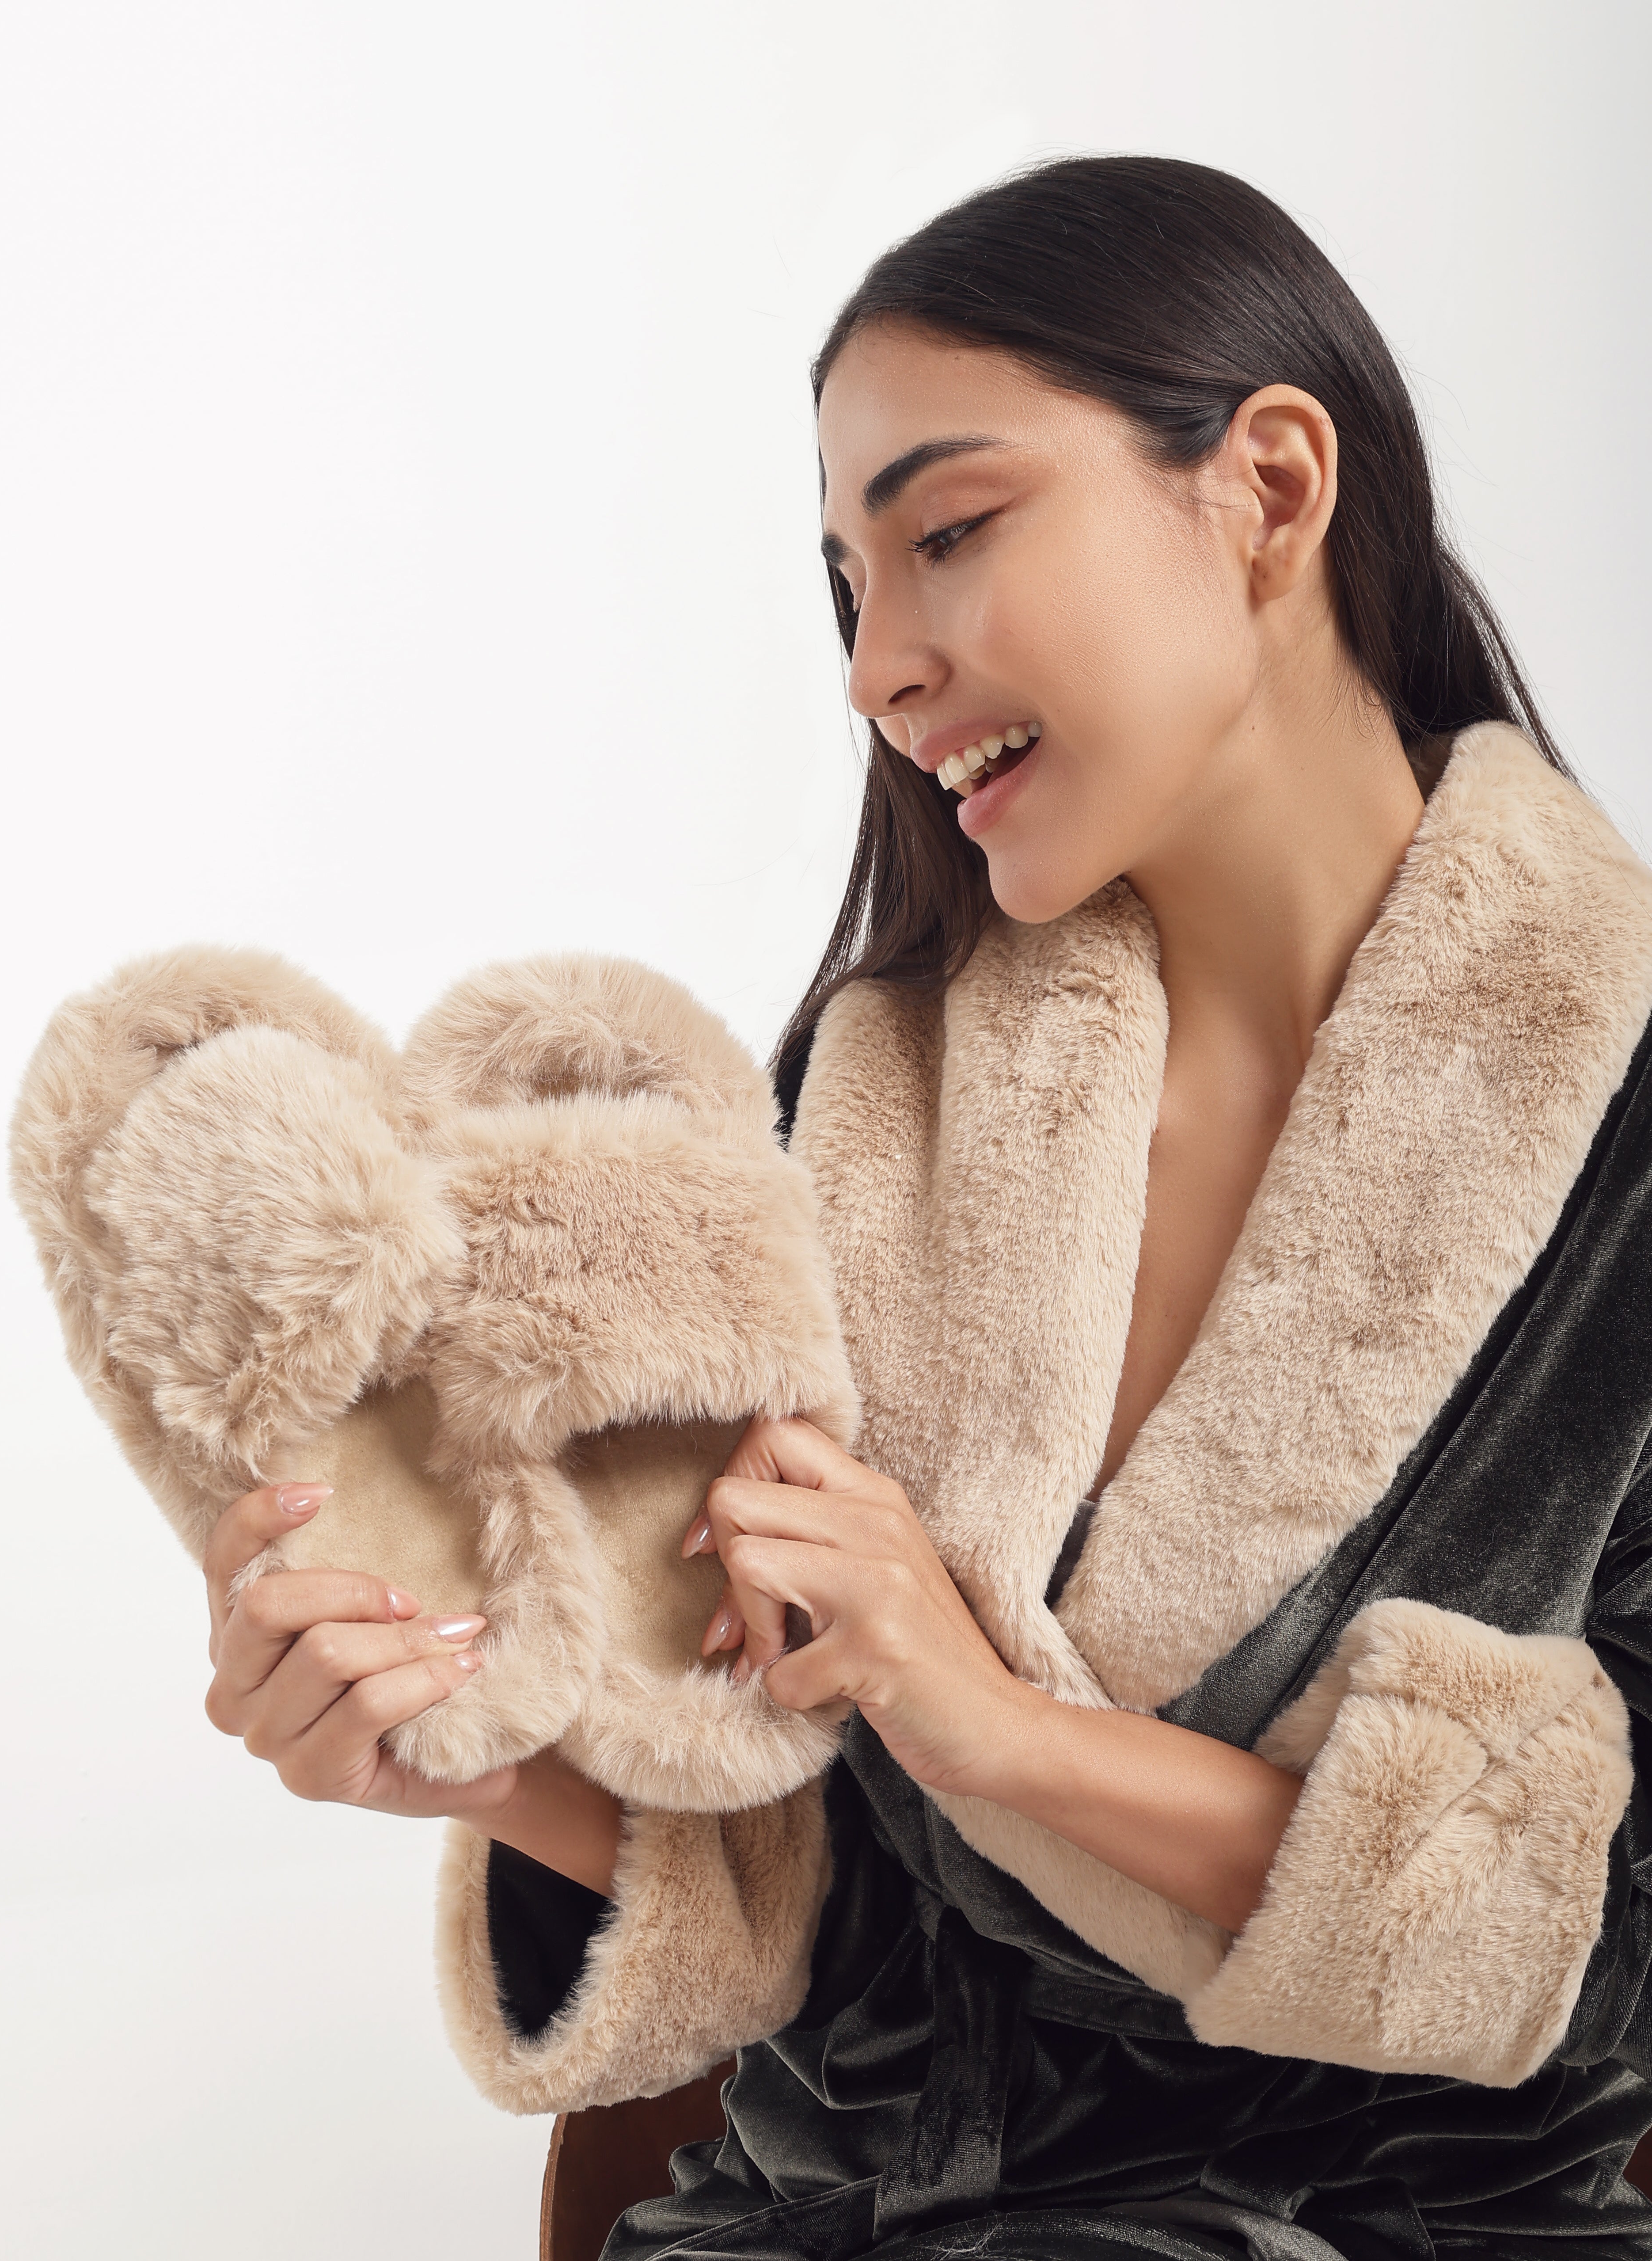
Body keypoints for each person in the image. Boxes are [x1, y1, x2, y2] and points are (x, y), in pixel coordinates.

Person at [199, 158, 1652, 2255]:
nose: (879, 663)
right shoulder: (868, 1116)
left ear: (1267, 487)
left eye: (947, 532)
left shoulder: (1612, 1124)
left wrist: (1001, 1727)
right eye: (845, 585)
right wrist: (469, 1759)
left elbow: (1609, 1935)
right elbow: (820, 1900)